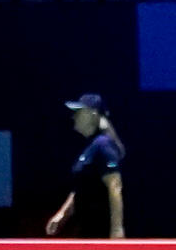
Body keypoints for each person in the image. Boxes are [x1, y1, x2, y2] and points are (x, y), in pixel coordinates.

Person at [45, 93, 126, 239]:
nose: (74, 117)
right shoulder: (91, 146)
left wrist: (116, 230)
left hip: (102, 235)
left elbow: (115, 187)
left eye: (79, 112)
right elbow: (82, 188)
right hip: (86, 233)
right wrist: (62, 214)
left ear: (93, 114)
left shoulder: (104, 145)